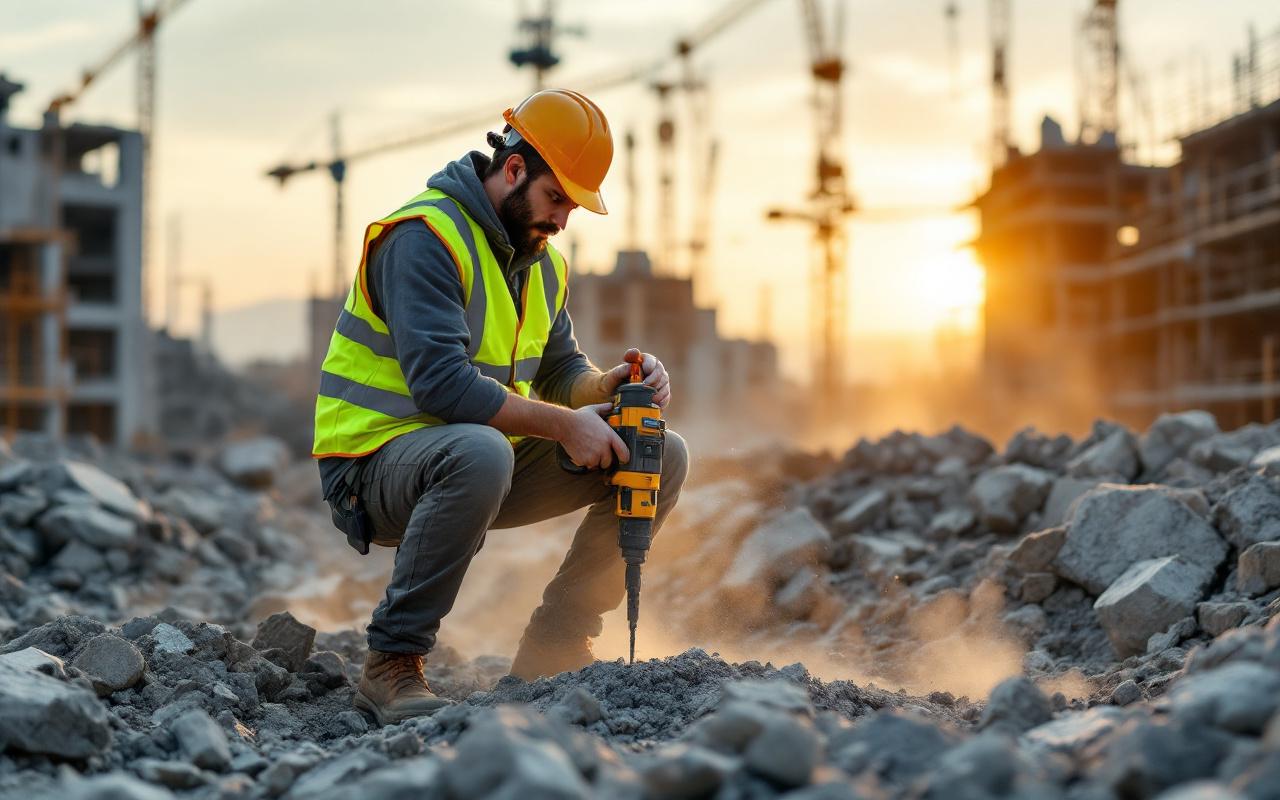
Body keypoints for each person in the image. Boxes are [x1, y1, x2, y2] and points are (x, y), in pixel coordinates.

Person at [311, 88, 690, 726]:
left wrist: (612, 387)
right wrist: (565, 427)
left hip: (477, 461)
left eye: (572, 207)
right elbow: (442, 387)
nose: (562, 220)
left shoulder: (542, 266)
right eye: (556, 199)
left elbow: (561, 373)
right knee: (481, 451)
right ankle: (392, 663)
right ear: (513, 169)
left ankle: (555, 648)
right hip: (370, 467)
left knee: (659, 451)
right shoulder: (423, 238)